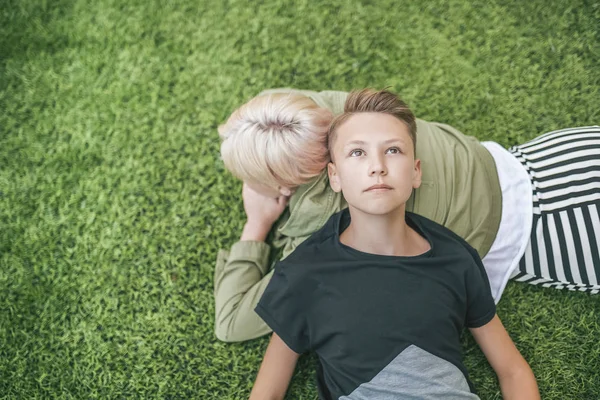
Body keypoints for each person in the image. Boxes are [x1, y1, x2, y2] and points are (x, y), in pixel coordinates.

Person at [215, 87, 600, 343]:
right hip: (560, 155)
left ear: (287, 183)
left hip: (557, 235)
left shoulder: (328, 235)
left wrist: (257, 223)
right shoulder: (336, 106)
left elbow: (232, 322)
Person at [249, 89, 540, 399]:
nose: (377, 166)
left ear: (416, 172)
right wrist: (255, 226)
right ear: (335, 176)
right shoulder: (304, 272)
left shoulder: (455, 257)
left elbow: (512, 370)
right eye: (357, 153)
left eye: (393, 150)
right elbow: (267, 393)